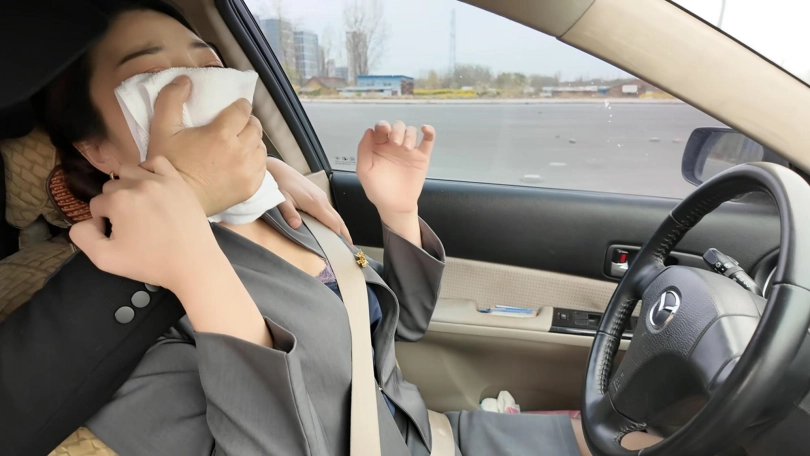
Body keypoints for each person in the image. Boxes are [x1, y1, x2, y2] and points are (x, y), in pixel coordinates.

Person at [4, 1, 583, 455]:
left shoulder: (277, 207)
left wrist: (397, 212)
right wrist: (197, 263)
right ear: (97, 149)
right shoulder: (115, 313)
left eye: (209, 64)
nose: (202, 82)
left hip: (430, 437)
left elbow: (395, 329)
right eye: (157, 75)